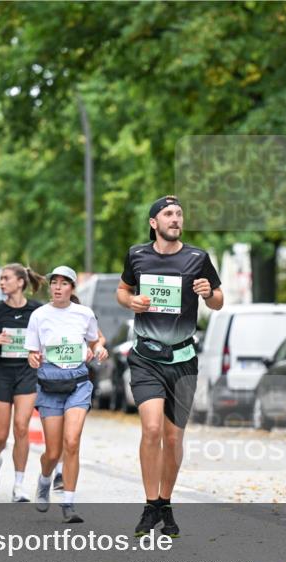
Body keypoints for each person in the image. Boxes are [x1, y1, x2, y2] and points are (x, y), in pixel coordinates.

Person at [117, 195, 223, 537]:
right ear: (154, 223)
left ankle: (165, 502)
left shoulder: (197, 258)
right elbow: (122, 290)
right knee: (151, 429)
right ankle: (150, 505)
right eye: (168, 214)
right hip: (146, 357)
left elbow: (218, 301)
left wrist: (208, 293)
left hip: (183, 359)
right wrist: (131, 301)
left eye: (179, 214)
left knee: (173, 437)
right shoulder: (137, 254)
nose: (175, 218)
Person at [25, 266, 107, 522]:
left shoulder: (84, 314)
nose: (58, 287)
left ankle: (68, 504)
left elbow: (96, 339)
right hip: (50, 385)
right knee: (52, 452)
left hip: (78, 384)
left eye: (64, 283)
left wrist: (99, 348)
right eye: (54, 283)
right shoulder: (39, 316)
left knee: (71, 442)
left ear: (72, 288)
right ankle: (44, 479)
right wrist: (33, 357)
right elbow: (32, 351)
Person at [0, 264, 44, 502]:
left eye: (6, 278)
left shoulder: (37, 310)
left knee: (21, 427)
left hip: (26, 372)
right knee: (1, 435)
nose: (1, 282)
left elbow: (47, 337)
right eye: (0, 278)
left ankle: (19, 486)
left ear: (20, 282)